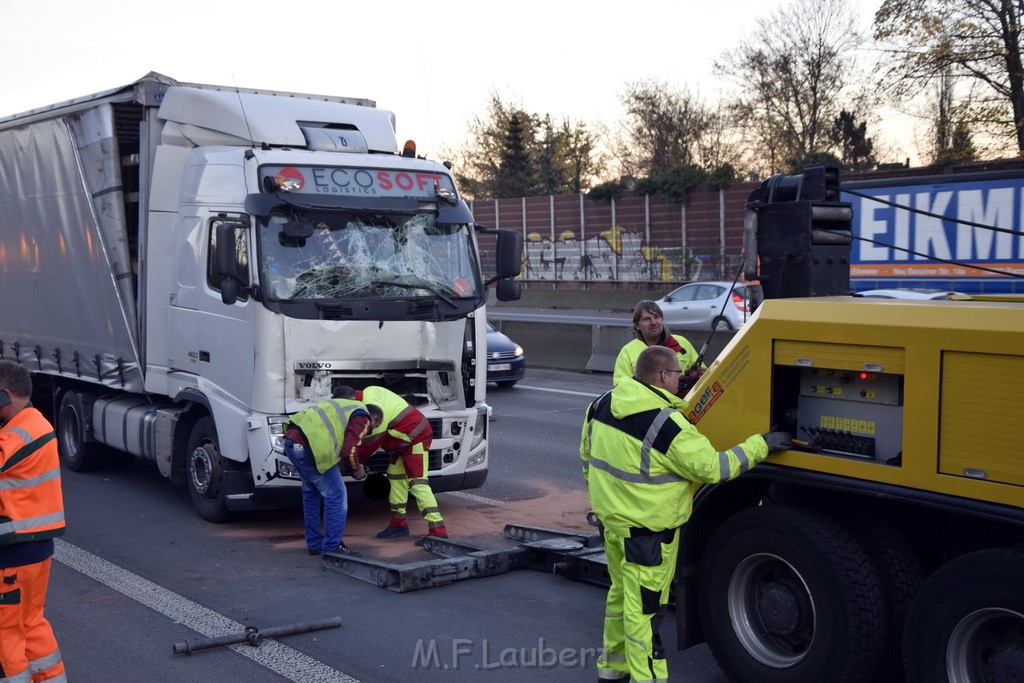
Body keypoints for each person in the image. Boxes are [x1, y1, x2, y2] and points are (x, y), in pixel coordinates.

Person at [581, 346, 792, 683]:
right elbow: (713, 468)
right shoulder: (666, 425)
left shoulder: (602, 404)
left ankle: (612, 670)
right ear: (664, 376)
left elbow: (588, 457)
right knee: (645, 616)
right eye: (678, 372)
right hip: (648, 539)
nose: (682, 378)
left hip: (613, 527)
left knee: (621, 602)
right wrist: (762, 445)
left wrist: (612, 504)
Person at [0, 360, 66, 682]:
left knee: (5, 635)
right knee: (31, 625)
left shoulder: (19, 433)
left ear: (4, 395)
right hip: (33, 546)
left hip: (12, 553)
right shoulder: (32, 424)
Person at [340, 385, 448, 541]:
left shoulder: (370, 413)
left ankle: (438, 531)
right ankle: (398, 524)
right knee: (395, 478)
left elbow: (367, 445)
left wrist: (352, 465)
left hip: (415, 440)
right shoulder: (370, 392)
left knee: (418, 484)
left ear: (350, 400)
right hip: (406, 440)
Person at [283, 394, 377, 556]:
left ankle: (314, 543)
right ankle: (333, 547)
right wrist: (356, 469)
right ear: (374, 419)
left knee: (311, 493)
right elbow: (349, 450)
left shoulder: (342, 404)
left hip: (292, 442)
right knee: (336, 496)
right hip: (311, 448)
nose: (368, 429)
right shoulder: (362, 416)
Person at [613, 300, 703, 392]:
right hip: (650, 405)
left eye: (656, 317)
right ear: (637, 325)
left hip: (683, 404)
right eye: (646, 319)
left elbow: (703, 372)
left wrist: (692, 380)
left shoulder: (682, 342)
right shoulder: (627, 351)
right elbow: (621, 387)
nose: (653, 322)